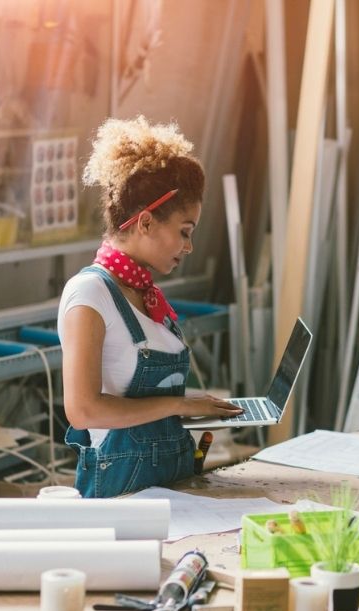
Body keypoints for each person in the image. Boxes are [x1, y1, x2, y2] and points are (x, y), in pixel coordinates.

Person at [58, 116, 242, 498]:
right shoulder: (90, 294)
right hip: (120, 497)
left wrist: (193, 407)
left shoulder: (147, 295)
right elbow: (84, 410)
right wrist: (179, 405)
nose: (189, 247)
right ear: (145, 223)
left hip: (172, 488)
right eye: (185, 232)